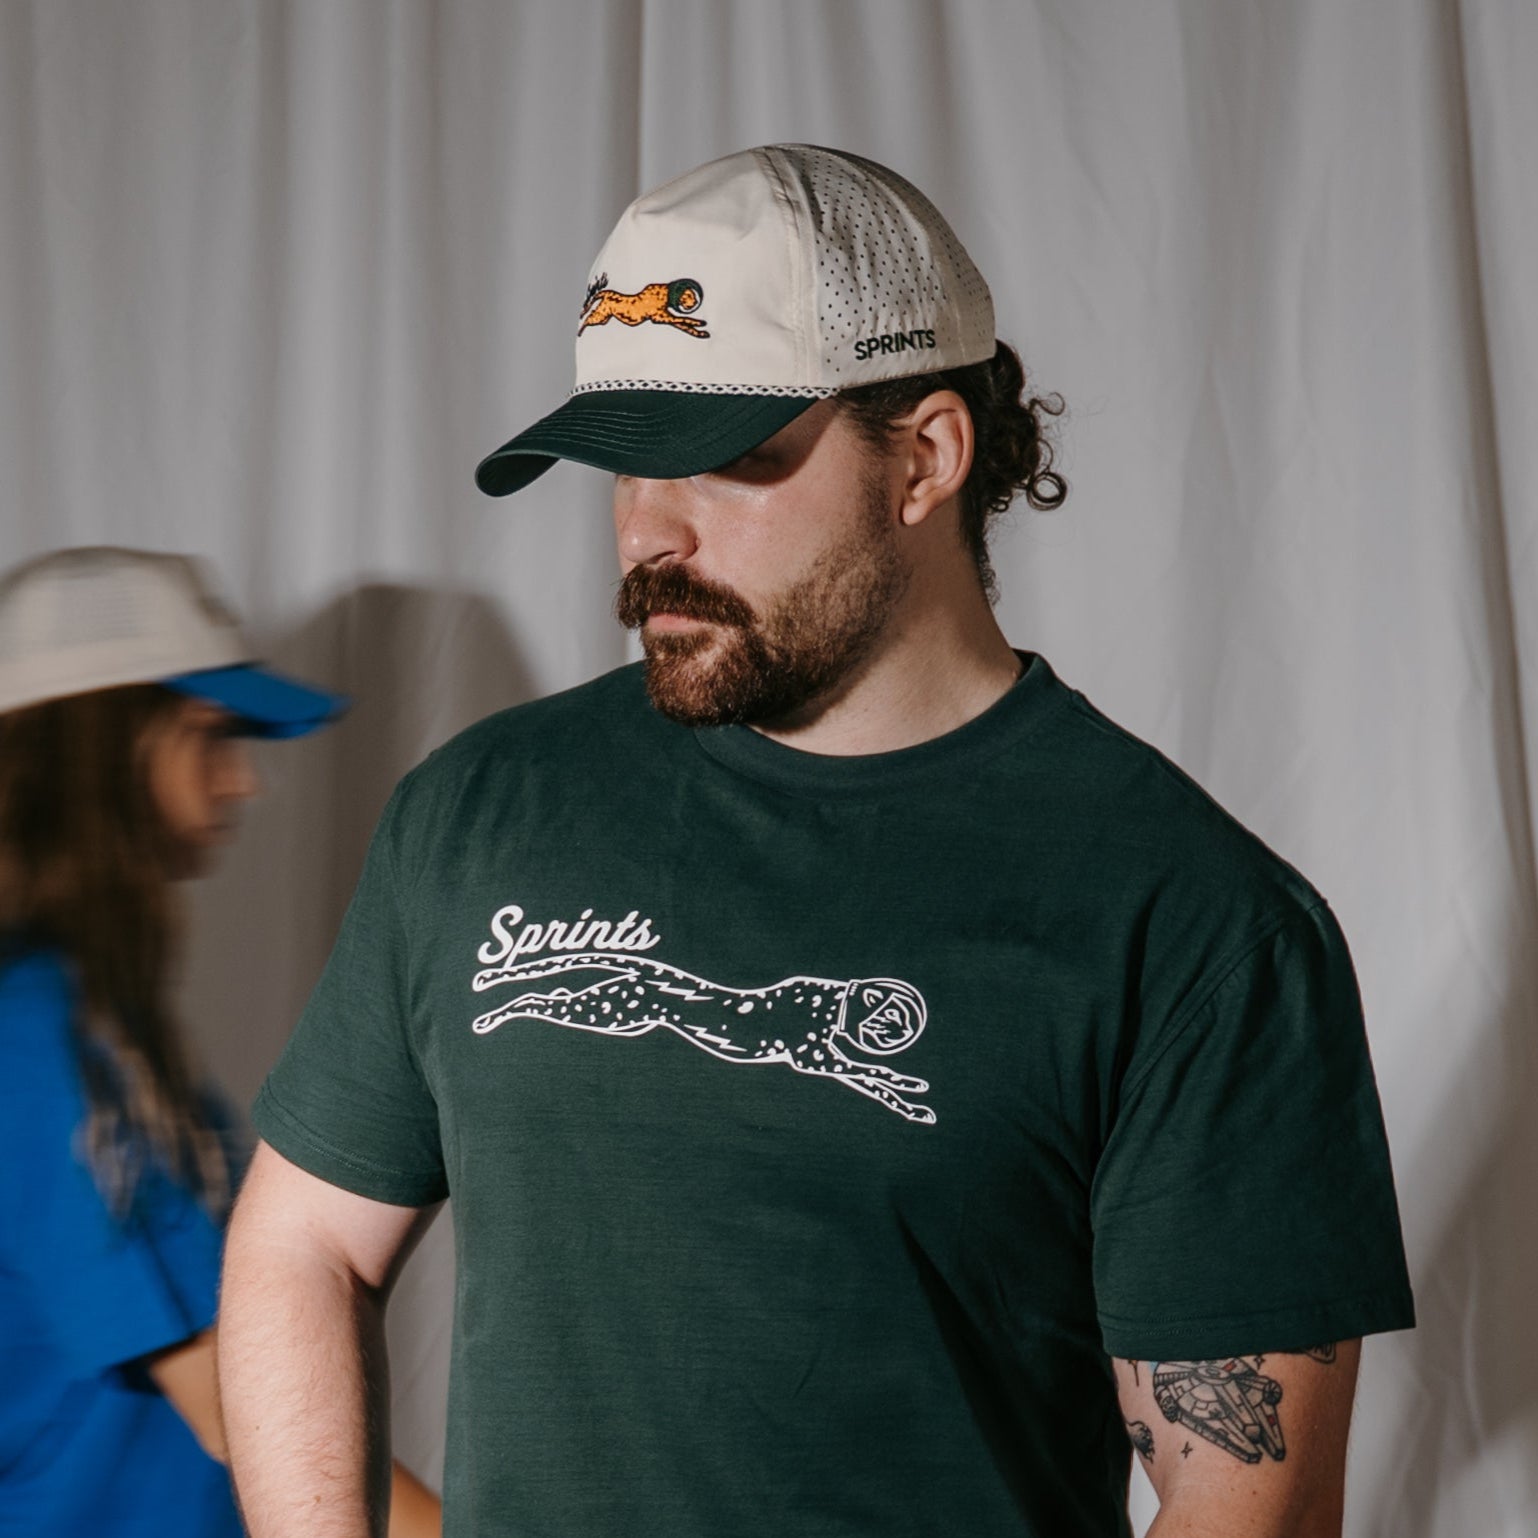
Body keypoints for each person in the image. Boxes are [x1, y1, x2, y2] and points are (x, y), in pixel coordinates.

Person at [219, 145, 1415, 1537]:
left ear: (924, 456)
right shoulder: (483, 809)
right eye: (620, 463)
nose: (647, 532)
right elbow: (302, 1240)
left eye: (725, 460)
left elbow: (1245, 1504)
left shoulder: (1190, 920)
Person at [0, 546, 441, 1537]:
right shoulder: (43, 1040)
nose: (245, 784)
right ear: (97, 752)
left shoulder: (87, 1019)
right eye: (208, 737)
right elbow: (237, 1403)